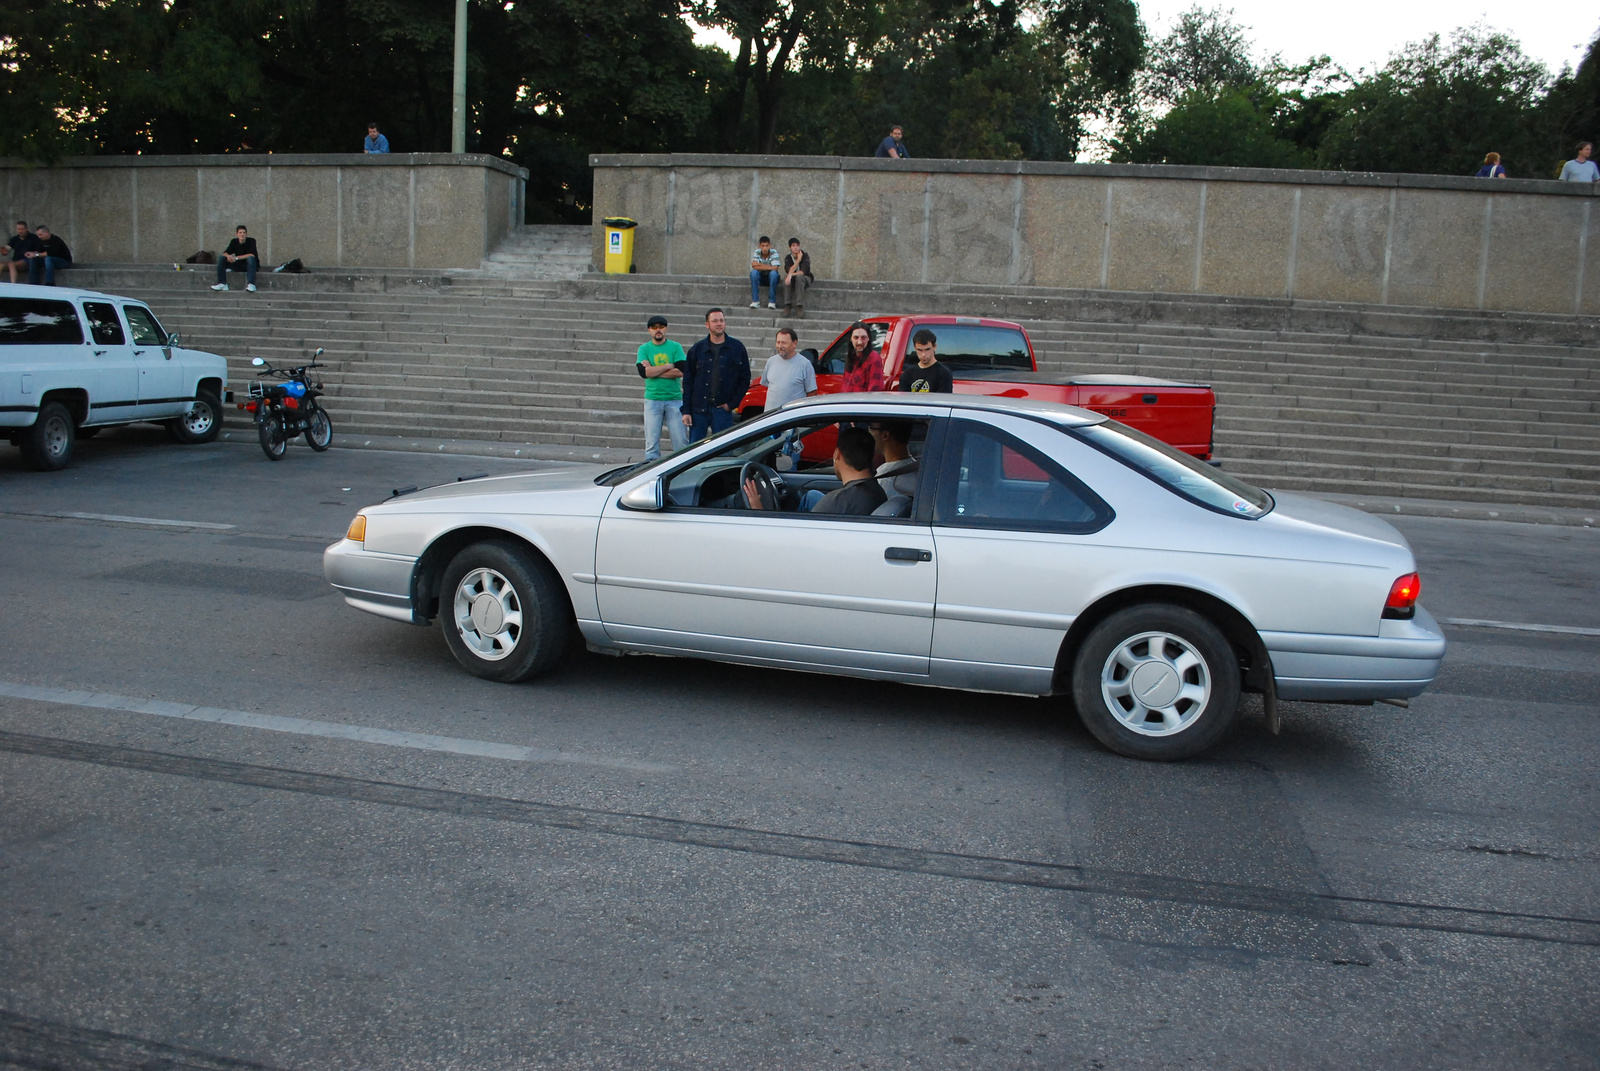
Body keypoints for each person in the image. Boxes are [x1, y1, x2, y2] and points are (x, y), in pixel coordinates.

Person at [745, 426, 886, 515]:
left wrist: (759, 511)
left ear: (838, 454)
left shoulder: (836, 502)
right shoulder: (878, 491)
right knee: (811, 496)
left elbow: (791, 542)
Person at [679, 308, 751, 443]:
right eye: (715, 321)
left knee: (724, 450)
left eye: (722, 320)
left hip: (722, 410)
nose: (719, 324)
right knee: (695, 451)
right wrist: (686, 410)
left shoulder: (737, 348)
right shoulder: (697, 349)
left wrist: (731, 404)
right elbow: (688, 382)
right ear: (707, 324)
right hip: (698, 409)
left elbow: (744, 379)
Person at [637, 314, 688, 461]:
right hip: (653, 400)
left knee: (681, 442)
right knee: (651, 444)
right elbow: (643, 373)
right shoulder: (644, 349)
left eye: (661, 327)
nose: (658, 330)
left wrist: (653, 370)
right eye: (654, 327)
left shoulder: (675, 347)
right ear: (649, 330)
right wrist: (668, 366)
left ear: (666, 329)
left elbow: (682, 371)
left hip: (674, 399)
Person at [760, 328, 818, 414]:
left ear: (794, 343)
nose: (780, 346)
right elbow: (767, 385)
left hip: (791, 420)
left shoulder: (805, 364)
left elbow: (812, 393)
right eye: (778, 342)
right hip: (770, 418)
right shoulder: (771, 361)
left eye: (784, 343)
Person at [869, 420, 918, 496]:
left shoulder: (885, 478)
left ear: (885, 435)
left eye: (871, 428)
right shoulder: (914, 465)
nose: (869, 433)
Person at [898, 328, 953, 393]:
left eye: (927, 349)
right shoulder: (907, 374)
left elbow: (943, 400)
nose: (923, 354)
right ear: (915, 348)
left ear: (934, 346)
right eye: (920, 350)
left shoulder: (944, 374)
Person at [839, 322, 886, 393]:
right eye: (856, 337)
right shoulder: (851, 357)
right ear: (851, 339)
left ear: (868, 338)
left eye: (863, 337)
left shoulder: (874, 358)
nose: (859, 342)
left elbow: (875, 391)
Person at [210, 225, 260, 292]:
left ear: (246, 234)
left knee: (250, 258)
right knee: (222, 258)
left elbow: (251, 254)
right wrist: (229, 257)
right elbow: (225, 252)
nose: (242, 234)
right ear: (237, 234)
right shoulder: (234, 241)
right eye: (240, 232)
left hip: (251, 266)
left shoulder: (251, 241)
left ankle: (251, 284)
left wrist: (236, 258)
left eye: (244, 232)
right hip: (238, 265)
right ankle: (222, 283)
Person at [779, 237, 813, 317]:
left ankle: (800, 305)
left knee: (799, 277)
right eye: (793, 245)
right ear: (790, 247)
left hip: (805, 279)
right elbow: (788, 270)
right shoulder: (788, 258)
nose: (795, 247)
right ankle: (788, 304)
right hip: (793, 279)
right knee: (786, 279)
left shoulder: (805, 256)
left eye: (797, 245)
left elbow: (802, 272)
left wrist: (790, 275)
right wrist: (797, 261)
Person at [749, 236, 781, 308]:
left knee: (773, 274)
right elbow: (754, 266)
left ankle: (772, 302)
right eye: (763, 246)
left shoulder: (774, 252)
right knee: (753, 273)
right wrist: (770, 267)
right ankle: (755, 301)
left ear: (770, 246)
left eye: (766, 246)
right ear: (760, 246)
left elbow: (775, 268)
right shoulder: (757, 252)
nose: (765, 248)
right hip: (761, 278)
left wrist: (760, 265)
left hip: (772, 278)